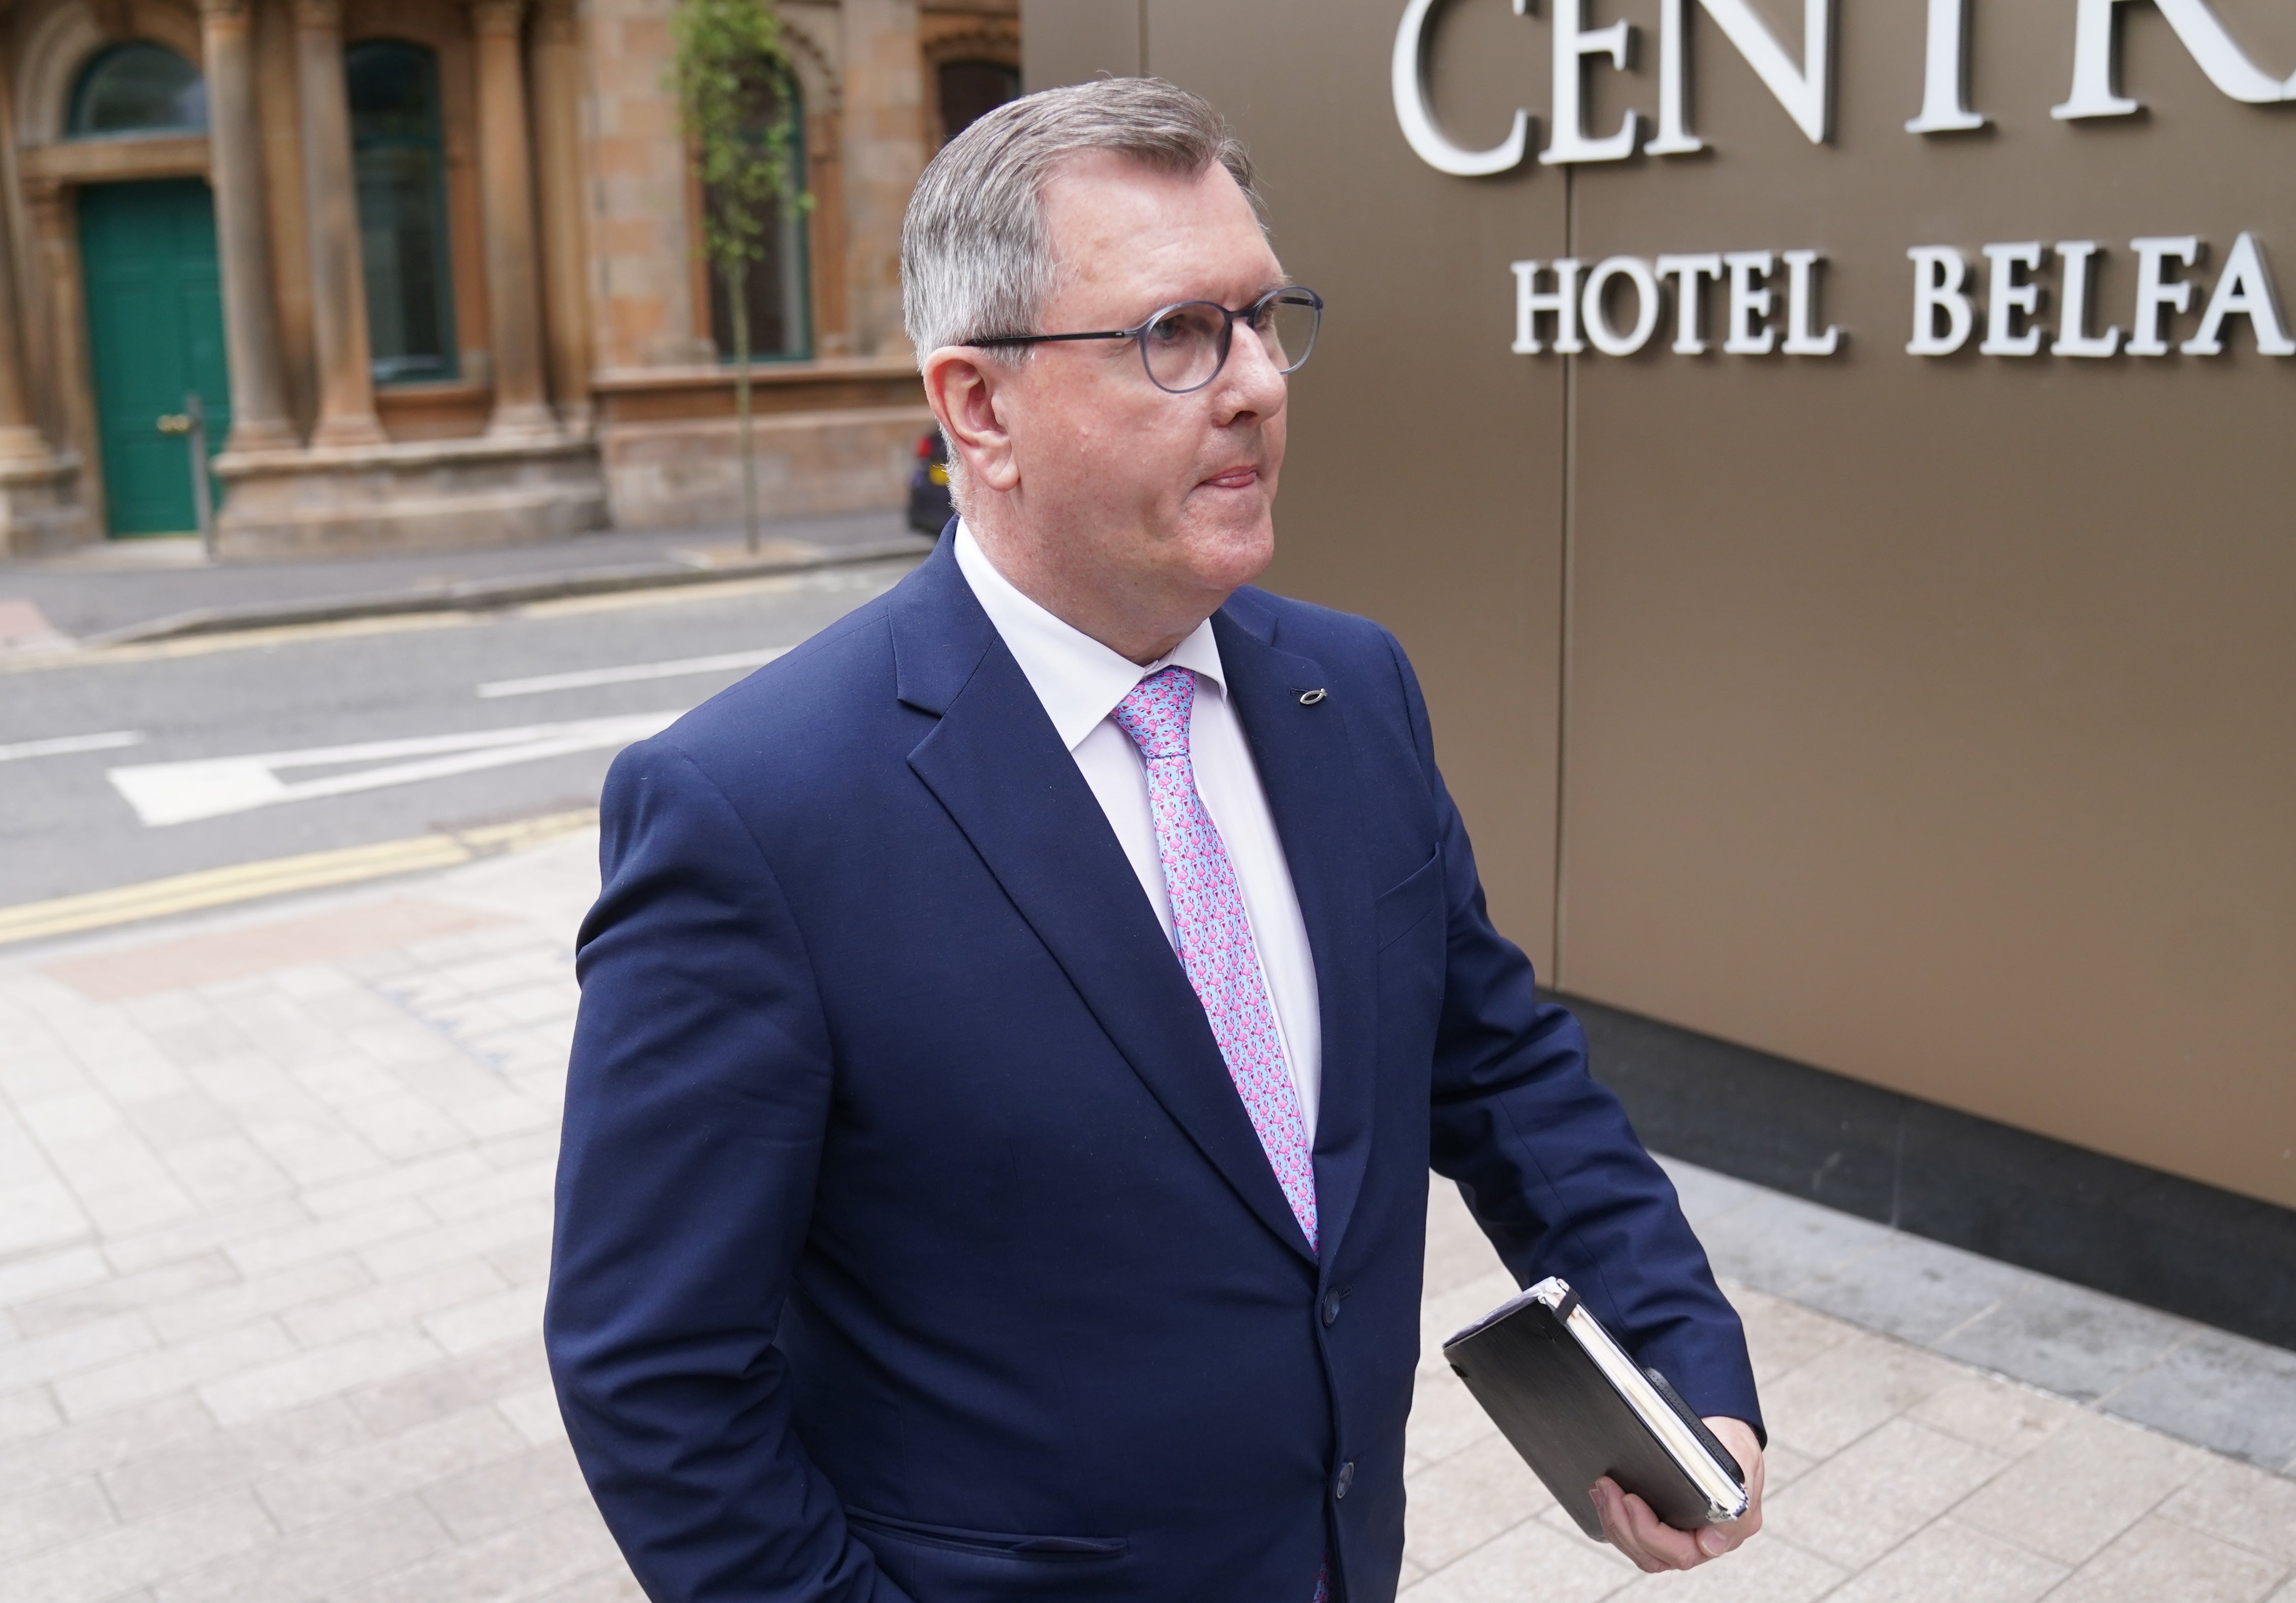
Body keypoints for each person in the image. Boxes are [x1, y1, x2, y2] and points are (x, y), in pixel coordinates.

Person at [545, 77, 1764, 1603]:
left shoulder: (1352, 688)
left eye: (1263, 319)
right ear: (977, 407)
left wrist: (1672, 1358)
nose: (1256, 380)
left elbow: (1499, 1064)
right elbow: (655, 1377)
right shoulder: (752, 811)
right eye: (1175, 335)